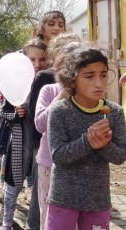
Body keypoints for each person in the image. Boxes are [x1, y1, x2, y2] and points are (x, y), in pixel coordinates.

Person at [46, 45, 126, 229]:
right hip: (63, 199)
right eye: (89, 76)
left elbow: (120, 156)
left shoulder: (114, 112)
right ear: (72, 80)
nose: (99, 83)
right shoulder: (59, 111)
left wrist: (104, 145)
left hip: (98, 200)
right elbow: (58, 156)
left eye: (103, 75)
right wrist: (87, 142)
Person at [24, 33, 79, 230]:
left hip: (78, 166)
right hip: (48, 162)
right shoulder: (49, 90)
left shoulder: (88, 92)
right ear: (56, 64)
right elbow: (39, 123)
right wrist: (62, 97)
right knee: (47, 214)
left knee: (74, 216)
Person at [0, 38, 48, 230]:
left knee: (38, 188)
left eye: (42, 59)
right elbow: (4, 113)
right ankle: (7, 222)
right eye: (32, 59)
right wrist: (15, 115)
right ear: (24, 59)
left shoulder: (48, 83)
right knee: (13, 184)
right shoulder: (17, 83)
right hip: (19, 143)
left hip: (41, 146)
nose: (37, 64)